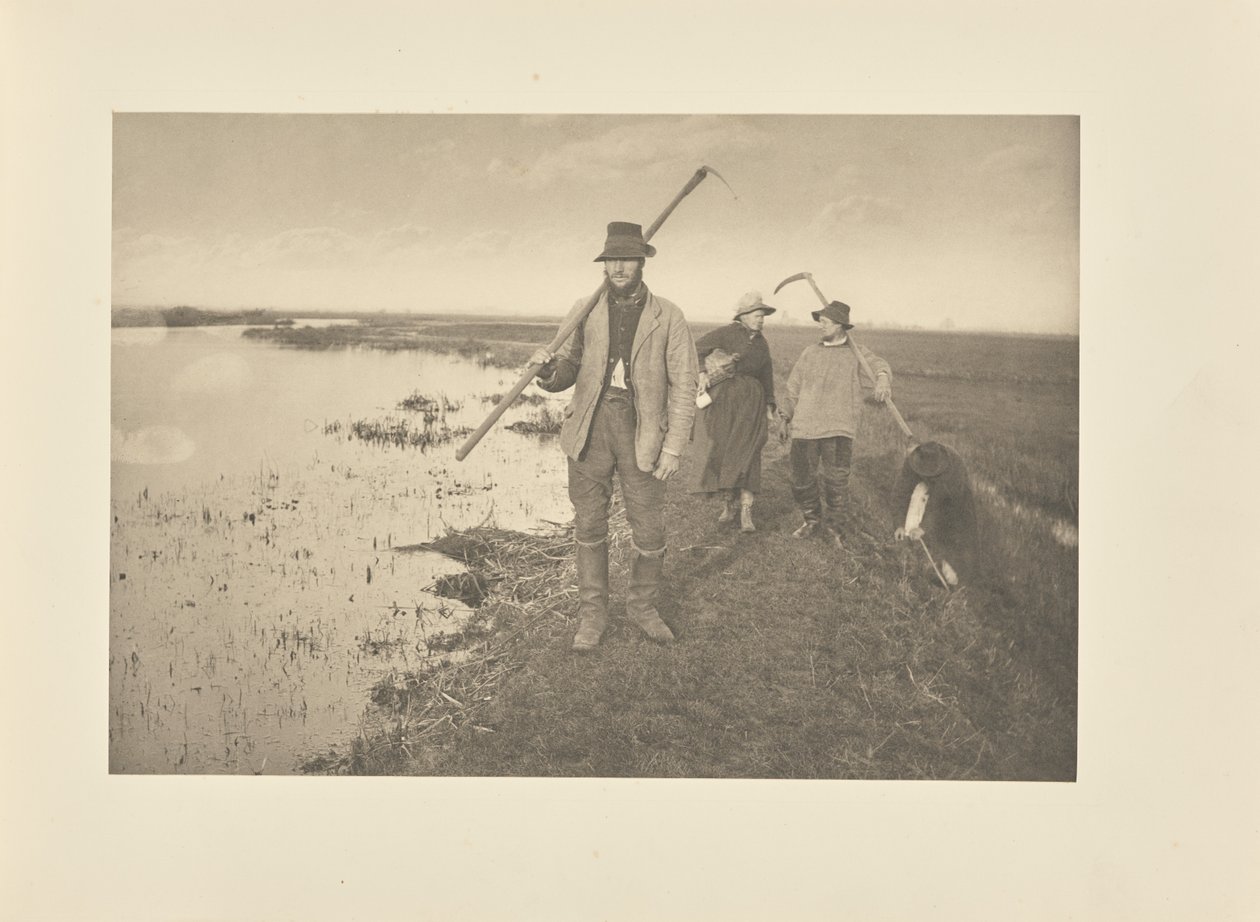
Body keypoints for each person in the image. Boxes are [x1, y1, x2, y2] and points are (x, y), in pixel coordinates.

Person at [528, 222, 698, 652]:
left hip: (643, 431)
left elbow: (684, 386)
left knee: (650, 529)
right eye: (611, 260)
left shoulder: (669, 316)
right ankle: (593, 616)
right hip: (590, 428)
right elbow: (567, 370)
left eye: (627, 259)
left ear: (642, 263)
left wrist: (673, 447)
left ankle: (643, 608)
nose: (619, 267)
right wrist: (547, 370)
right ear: (604, 265)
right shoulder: (584, 310)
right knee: (589, 523)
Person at [778, 300, 892, 547]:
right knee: (801, 479)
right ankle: (811, 520)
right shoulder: (810, 352)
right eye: (820, 321)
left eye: (826, 322)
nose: (821, 326)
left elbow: (879, 366)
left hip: (839, 429)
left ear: (840, 325)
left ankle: (834, 529)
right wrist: (785, 417)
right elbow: (793, 388)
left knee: (836, 482)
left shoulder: (856, 353)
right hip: (805, 428)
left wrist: (883, 379)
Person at [688, 291, 778, 532]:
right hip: (725, 402)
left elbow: (767, 373)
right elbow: (697, 348)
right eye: (758, 315)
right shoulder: (727, 333)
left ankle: (747, 510)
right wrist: (702, 373)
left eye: (763, 316)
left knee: (750, 452)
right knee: (726, 451)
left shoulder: (761, 343)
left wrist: (769, 404)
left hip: (752, 403)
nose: (761, 320)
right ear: (744, 315)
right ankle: (729, 504)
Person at [892, 440, 978, 587]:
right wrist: (899, 524)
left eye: (929, 474)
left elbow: (941, 507)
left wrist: (923, 527)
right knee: (918, 498)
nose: (926, 476)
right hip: (937, 490)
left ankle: (958, 576)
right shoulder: (913, 460)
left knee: (957, 532)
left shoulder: (953, 471)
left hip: (955, 499)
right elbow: (901, 492)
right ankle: (919, 555)